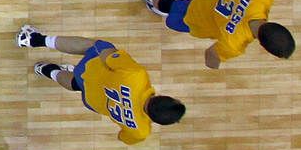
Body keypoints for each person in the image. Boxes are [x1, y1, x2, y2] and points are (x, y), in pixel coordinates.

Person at [15, 26, 184, 142]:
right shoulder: (141, 132)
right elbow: (122, 137)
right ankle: (46, 70)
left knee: (99, 46)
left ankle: (33, 39)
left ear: (163, 97)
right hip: (92, 101)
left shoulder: (137, 77)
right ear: (155, 121)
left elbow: (108, 56)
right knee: (76, 84)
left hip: (87, 71)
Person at [134, 0, 295, 69]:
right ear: (261, 44)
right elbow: (211, 55)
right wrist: (214, 66)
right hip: (196, 14)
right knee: (167, 5)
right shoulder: (234, 45)